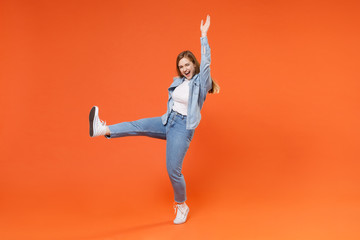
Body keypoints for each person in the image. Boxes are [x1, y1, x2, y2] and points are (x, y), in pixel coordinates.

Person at [89, 15, 219, 224]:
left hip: (183, 128)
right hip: (168, 121)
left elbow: (207, 64)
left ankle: (181, 205)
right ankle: (102, 129)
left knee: (173, 171)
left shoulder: (200, 84)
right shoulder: (179, 82)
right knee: (138, 125)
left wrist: (203, 36)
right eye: (181, 66)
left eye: (187, 64)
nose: (184, 68)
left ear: (194, 64)